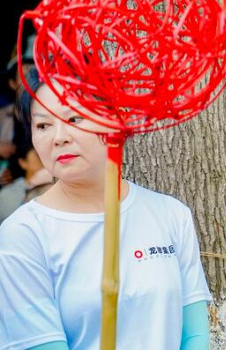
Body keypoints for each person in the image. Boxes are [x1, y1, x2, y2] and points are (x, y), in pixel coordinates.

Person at [0, 69, 211, 349]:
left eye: (74, 118)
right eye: (43, 125)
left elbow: (195, 336)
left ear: (113, 123)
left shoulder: (171, 214)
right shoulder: (23, 234)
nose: (58, 137)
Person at [0, 147, 52, 223]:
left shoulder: (58, 186)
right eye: (38, 155)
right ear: (23, 162)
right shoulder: (9, 194)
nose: (44, 158)